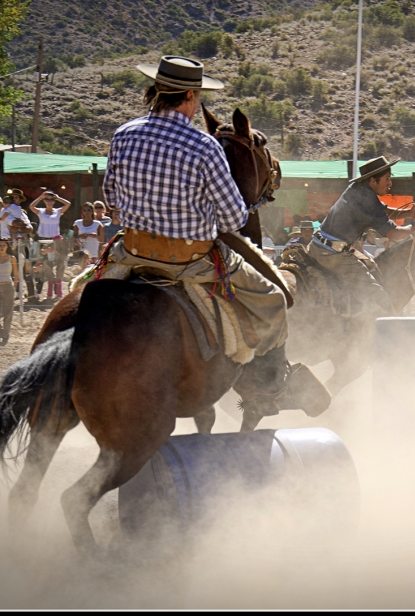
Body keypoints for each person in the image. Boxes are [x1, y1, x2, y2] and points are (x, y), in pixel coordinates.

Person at [101, 54, 308, 419]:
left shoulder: (123, 135)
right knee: (274, 300)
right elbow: (231, 217)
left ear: (156, 92)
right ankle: (269, 389)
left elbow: (112, 201)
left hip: (131, 255)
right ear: (191, 98)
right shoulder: (203, 146)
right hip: (189, 262)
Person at [311, 156, 415, 317]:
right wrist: (413, 228)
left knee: (371, 265)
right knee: (380, 299)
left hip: (317, 246)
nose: (390, 183)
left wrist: (408, 213)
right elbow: (393, 234)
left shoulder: (355, 189)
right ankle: (365, 332)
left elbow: (379, 211)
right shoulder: (367, 199)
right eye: (387, 179)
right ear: (372, 181)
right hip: (333, 255)